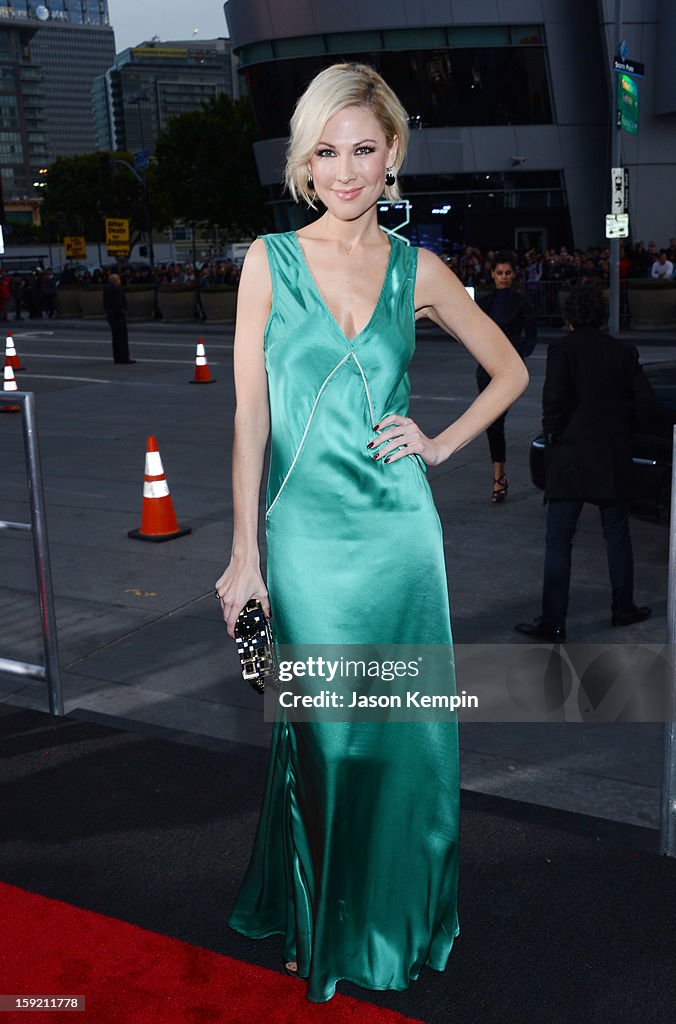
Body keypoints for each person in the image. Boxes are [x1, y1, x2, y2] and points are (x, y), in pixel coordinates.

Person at [214, 63, 527, 1004]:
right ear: (305, 162)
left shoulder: (419, 269)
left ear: (392, 155)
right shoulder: (268, 260)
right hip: (305, 540)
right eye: (326, 151)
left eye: (363, 149)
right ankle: (324, 919)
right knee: (330, 741)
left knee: (404, 739)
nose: (345, 171)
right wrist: (243, 555)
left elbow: (510, 370)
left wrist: (438, 444)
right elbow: (249, 419)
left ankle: (398, 922)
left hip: (398, 537)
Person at [515, 285, 655, 642]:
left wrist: (554, 436)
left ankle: (553, 620)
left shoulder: (562, 349)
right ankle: (623, 607)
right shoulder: (623, 351)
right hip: (610, 455)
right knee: (617, 535)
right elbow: (644, 405)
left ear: (571, 317)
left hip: (571, 457)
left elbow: (554, 400)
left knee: (560, 539)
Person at [476, 252, 537, 502]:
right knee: (491, 424)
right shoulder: (485, 301)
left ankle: (498, 478)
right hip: (485, 368)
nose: (503, 277)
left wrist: (515, 356)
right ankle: (499, 476)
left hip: (508, 370)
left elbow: (531, 337)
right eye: (499, 273)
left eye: (507, 273)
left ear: (514, 275)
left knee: (496, 422)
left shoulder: (522, 302)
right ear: (492, 274)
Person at [102, 273, 135, 364]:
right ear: (115, 281)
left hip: (113, 317)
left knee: (116, 338)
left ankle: (118, 357)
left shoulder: (107, 291)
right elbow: (118, 304)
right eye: (118, 280)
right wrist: (122, 311)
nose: (120, 281)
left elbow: (106, 305)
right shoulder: (115, 291)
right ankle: (123, 357)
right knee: (121, 338)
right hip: (118, 317)